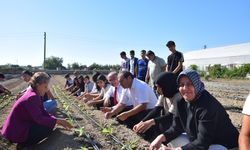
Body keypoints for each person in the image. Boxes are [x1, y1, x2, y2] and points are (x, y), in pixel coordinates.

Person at [149, 69, 239, 150]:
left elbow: (203, 143)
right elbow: (176, 127)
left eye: (189, 84)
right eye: (181, 85)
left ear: (196, 84)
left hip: (222, 144)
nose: (185, 88)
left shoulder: (207, 105)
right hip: (199, 141)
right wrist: (160, 138)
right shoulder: (180, 101)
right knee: (172, 138)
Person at [1, 72, 72, 149]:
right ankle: (24, 144)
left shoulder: (35, 93)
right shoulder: (32, 97)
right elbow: (39, 118)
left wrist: (57, 120)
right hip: (16, 131)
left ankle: (24, 142)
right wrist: (57, 121)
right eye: (45, 86)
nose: (46, 89)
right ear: (38, 85)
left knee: (49, 123)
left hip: (19, 126)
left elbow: (43, 112)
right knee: (47, 127)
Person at [133, 72, 182, 141]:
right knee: (154, 123)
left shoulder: (178, 97)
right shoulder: (164, 95)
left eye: (159, 87)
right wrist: (142, 122)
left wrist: (150, 122)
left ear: (167, 86)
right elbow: (156, 109)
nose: (157, 90)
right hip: (169, 122)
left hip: (178, 126)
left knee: (159, 124)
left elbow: (170, 115)